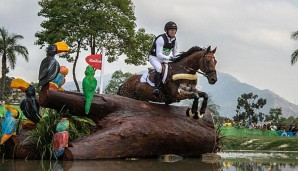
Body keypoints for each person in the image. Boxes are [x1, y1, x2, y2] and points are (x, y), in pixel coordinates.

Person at [149, 21, 178, 96]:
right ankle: (156, 88)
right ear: (166, 30)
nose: (173, 32)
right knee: (159, 68)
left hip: (165, 59)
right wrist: (170, 58)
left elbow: (175, 53)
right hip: (154, 58)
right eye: (171, 30)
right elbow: (159, 55)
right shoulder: (161, 39)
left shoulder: (175, 40)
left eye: (174, 30)